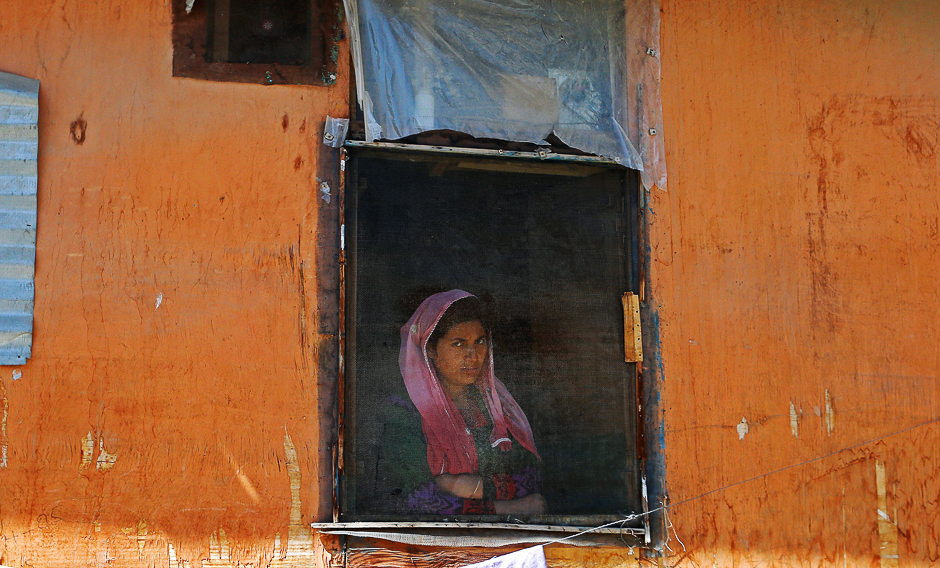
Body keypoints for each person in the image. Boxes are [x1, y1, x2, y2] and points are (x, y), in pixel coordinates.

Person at [375, 290, 546, 516]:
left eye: (480, 341)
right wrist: (508, 506)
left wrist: (461, 486)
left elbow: (534, 477)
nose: (473, 355)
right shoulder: (405, 412)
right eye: (458, 344)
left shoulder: (497, 403)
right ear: (431, 349)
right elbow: (413, 501)